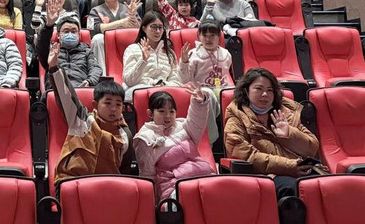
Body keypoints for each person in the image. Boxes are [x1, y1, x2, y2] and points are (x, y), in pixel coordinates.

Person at [224, 67, 320, 198]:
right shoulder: (236, 117)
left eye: (269, 90)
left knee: (327, 185)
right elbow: (246, 156)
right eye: (259, 89)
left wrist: (289, 134)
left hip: (299, 170)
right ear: (246, 91)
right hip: (266, 175)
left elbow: (312, 148)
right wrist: (289, 166)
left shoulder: (285, 112)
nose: (265, 94)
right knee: (294, 189)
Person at [48, 42, 133, 184]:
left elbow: (124, 171)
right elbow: (66, 94)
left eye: (118, 104)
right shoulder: (81, 120)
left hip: (107, 185)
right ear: (95, 104)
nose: (113, 108)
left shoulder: (125, 134)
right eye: (108, 103)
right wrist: (54, 68)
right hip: (72, 180)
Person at [133, 86, 215, 200]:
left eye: (171, 111)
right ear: (150, 113)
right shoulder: (145, 138)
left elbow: (197, 122)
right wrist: (152, 203)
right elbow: (147, 174)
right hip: (173, 187)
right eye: (162, 111)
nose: (168, 116)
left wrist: (199, 103)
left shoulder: (183, 126)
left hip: (204, 177)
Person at [36, 5, 102, 89]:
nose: (70, 34)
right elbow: (41, 46)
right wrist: (49, 26)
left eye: (74, 31)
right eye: (66, 31)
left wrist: (90, 81)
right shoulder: (52, 51)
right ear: (58, 35)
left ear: (78, 35)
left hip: (81, 87)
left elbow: (95, 69)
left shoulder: (86, 51)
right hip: (56, 89)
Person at [88, 0, 141, 74]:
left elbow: (141, 30)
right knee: (97, 39)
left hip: (126, 43)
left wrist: (133, 17)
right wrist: (121, 22)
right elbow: (91, 30)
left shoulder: (129, 9)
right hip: (106, 46)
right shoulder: (94, 10)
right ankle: (102, 75)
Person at [122, 12, 181, 99]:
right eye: (153, 27)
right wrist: (143, 60)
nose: (158, 31)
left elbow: (176, 81)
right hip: (139, 91)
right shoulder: (132, 49)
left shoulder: (169, 53)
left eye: (160, 27)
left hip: (163, 93)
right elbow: (129, 81)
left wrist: (163, 85)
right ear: (144, 28)